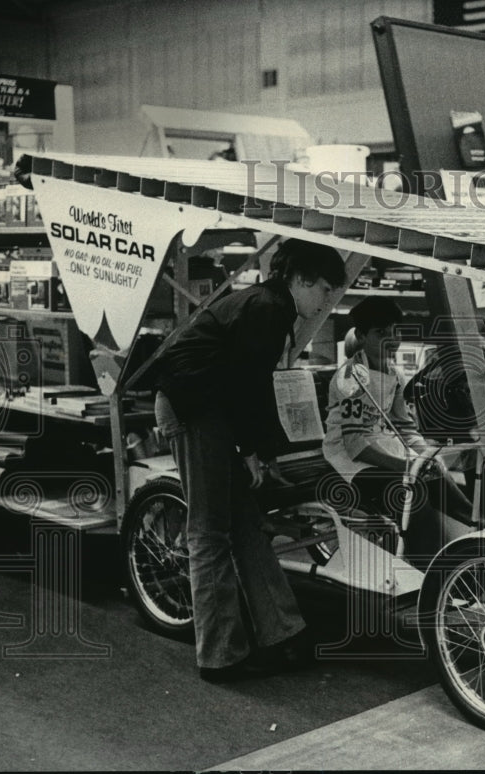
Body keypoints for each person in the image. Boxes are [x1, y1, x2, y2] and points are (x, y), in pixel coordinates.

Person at [153, 237, 346, 681]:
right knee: (209, 531)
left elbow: (247, 387)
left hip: (210, 406)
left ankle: (282, 633)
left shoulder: (268, 304)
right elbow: (248, 388)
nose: (325, 303)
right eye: (322, 291)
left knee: (246, 524)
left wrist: (258, 450)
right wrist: (255, 452)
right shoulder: (266, 308)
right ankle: (220, 655)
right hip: (193, 408)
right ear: (299, 280)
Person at [323, 297, 475, 567]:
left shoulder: (394, 372)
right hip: (351, 460)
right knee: (412, 496)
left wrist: (426, 455)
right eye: (381, 333)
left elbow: (404, 425)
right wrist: (406, 466)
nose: (392, 339)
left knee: (439, 477)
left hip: (384, 448)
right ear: (361, 335)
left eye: (396, 331)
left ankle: (482, 538)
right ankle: (425, 574)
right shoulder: (351, 377)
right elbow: (355, 444)